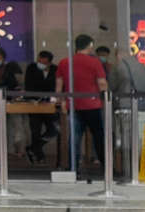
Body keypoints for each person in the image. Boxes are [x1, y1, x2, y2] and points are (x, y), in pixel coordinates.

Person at [56, 34, 109, 174]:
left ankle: (73, 167)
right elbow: (102, 83)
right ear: (90, 46)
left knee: (74, 138)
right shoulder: (95, 62)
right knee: (98, 136)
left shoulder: (64, 62)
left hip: (73, 105)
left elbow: (59, 85)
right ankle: (106, 167)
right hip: (93, 105)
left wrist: (61, 102)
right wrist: (106, 99)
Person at [24, 50, 58, 164]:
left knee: (54, 129)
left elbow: (57, 86)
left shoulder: (55, 70)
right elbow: (28, 84)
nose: (40, 63)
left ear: (49, 63)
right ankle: (38, 155)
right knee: (35, 130)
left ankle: (33, 148)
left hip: (49, 104)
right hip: (34, 103)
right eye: (39, 61)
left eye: (43, 62)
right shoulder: (32, 68)